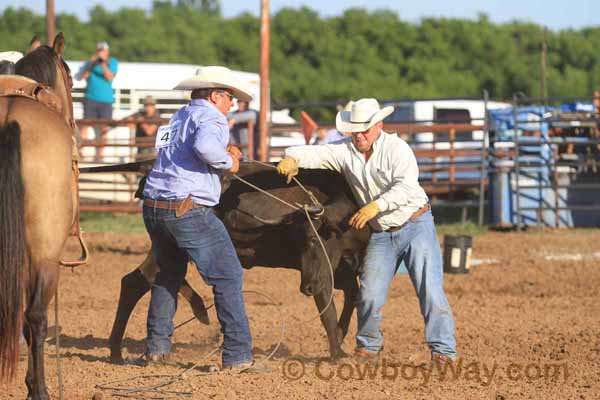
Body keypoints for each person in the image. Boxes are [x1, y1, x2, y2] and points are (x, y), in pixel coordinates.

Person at [276, 98, 457, 365]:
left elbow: (406, 187)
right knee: (369, 292)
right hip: (382, 232)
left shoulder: (397, 149)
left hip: (415, 223)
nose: (359, 135)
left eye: (365, 129)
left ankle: (443, 351)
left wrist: (376, 206)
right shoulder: (345, 151)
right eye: (354, 130)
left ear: (378, 125)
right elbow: (317, 153)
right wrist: (292, 157)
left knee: (430, 289)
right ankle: (369, 346)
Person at [141, 66, 257, 371]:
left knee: (168, 273)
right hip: (187, 208)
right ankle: (237, 355)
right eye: (229, 97)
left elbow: (164, 148)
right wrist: (229, 162)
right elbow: (205, 147)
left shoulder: (178, 116)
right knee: (228, 274)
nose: (232, 103)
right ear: (215, 95)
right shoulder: (211, 116)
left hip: (155, 205)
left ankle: (156, 348)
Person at [76, 41, 118, 160]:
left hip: (106, 101)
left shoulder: (113, 62)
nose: (100, 53)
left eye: (102, 51)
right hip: (90, 99)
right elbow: (82, 76)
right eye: (99, 50)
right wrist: (92, 63)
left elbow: (110, 77)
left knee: (104, 128)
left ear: (107, 51)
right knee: (85, 126)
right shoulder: (91, 63)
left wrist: (102, 63)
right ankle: (81, 152)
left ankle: (99, 155)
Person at [132, 95, 160, 160]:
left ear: (154, 106)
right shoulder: (140, 114)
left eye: (151, 105)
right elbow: (128, 122)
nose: (149, 107)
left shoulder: (156, 116)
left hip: (151, 149)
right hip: (141, 148)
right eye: (146, 105)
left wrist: (141, 122)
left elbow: (149, 131)